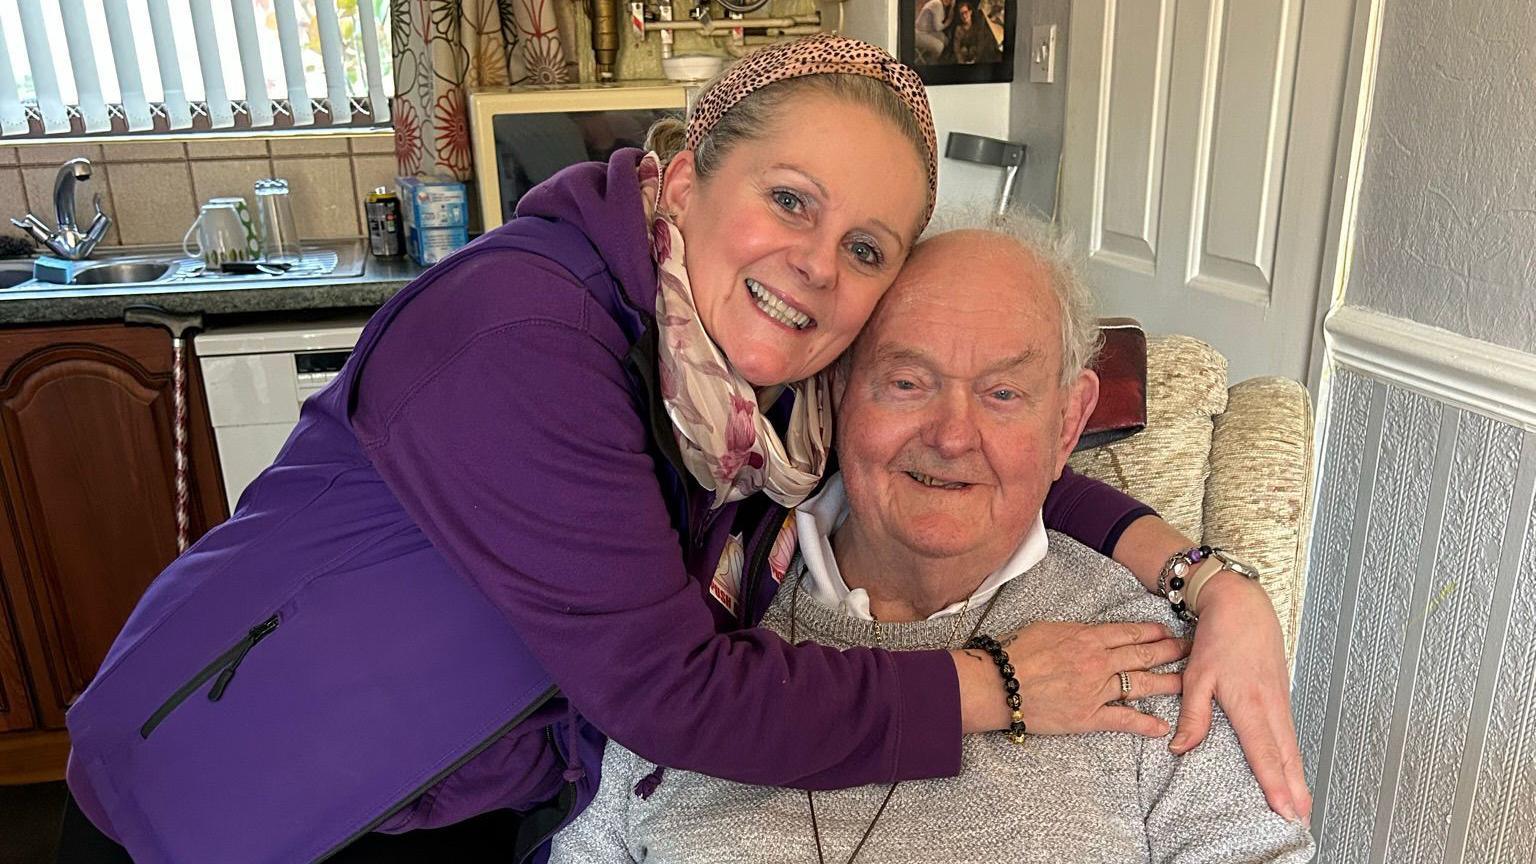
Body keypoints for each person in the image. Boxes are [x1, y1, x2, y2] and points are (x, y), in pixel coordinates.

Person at [58, 35, 1305, 864]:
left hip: (467, 791)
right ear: (684, 172)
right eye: (791, 199)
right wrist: (1005, 687)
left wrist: (1209, 579)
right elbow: (668, 695)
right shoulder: (522, 338)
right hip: (235, 793)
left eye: (866, 248)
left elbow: (965, 453)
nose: (818, 264)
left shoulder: (756, 402)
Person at [549, 219, 1316, 864]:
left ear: (1069, 424)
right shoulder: (700, 614)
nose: (952, 437)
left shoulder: (1154, 657)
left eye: (1003, 394)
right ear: (840, 392)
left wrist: (1217, 585)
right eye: (907, 382)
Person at [945, 0, 1001, 64]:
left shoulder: (977, 26)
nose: (964, 16)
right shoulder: (959, 29)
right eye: (962, 14)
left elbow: (980, 44)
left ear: (970, 12)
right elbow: (956, 48)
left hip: (977, 55)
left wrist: (975, 60)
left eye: (966, 12)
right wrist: (961, 62)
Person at [913, 0, 952, 64]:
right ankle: (930, 63)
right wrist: (949, 21)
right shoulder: (937, 3)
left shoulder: (942, 5)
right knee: (939, 46)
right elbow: (938, 28)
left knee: (945, 40)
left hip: (927, 32)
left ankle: (940, 61)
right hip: (918, 34)